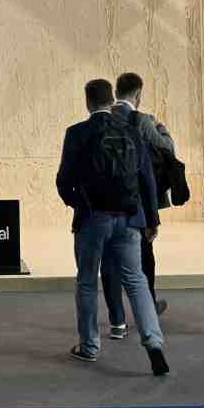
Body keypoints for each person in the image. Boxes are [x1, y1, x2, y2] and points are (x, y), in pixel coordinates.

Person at [57, 80, 167, 375]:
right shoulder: (131, 130)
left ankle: (89, 346)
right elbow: (147, 179)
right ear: (110, 100)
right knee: (136, 280)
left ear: (88, 102)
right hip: (129, 218)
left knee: (87, 281)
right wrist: (152, 220)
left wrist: (80, 205)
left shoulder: (77, 133)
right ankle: (154, 343)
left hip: (92, 220)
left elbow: (63, 181)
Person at [108, 73, 173, 319]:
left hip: (108, 202)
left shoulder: (105, 117)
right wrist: (161, 128)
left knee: (111, 262)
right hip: (138, 203)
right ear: (138, 94)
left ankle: (117, 319)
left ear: (116, 91)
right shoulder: (142, 120)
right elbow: (167, 148)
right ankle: (149, 307)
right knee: (144, 258)